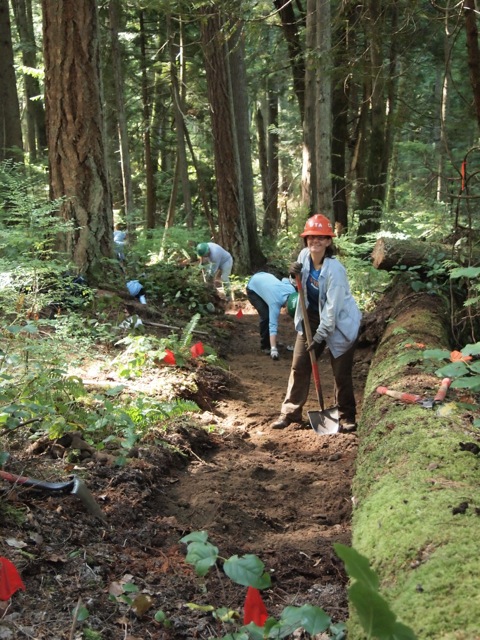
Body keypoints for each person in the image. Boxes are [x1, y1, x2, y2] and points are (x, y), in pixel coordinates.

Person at [271, 214, 362, 432]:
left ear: (329, 241)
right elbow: (299, 286)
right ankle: (290, 413)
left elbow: (332, 311)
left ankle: (346, 416)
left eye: (321, 238)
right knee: (299, 366)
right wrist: (294, 277)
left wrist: (320, 337)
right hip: (311, 318)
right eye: (311, 237)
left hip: (340, 322)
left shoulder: (335, 271)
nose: (315, 242)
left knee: (341, 372)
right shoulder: (303, 256)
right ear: (306, 240)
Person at [246, 272, 296, 360]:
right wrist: (274, 349)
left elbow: (285, 279)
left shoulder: (292, 290)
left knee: (268, 310)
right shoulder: (275, 303)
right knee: (266, 316)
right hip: (253, 288)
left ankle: (270, 342)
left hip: (264, 275)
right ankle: (266, 345)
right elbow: (273, 325)